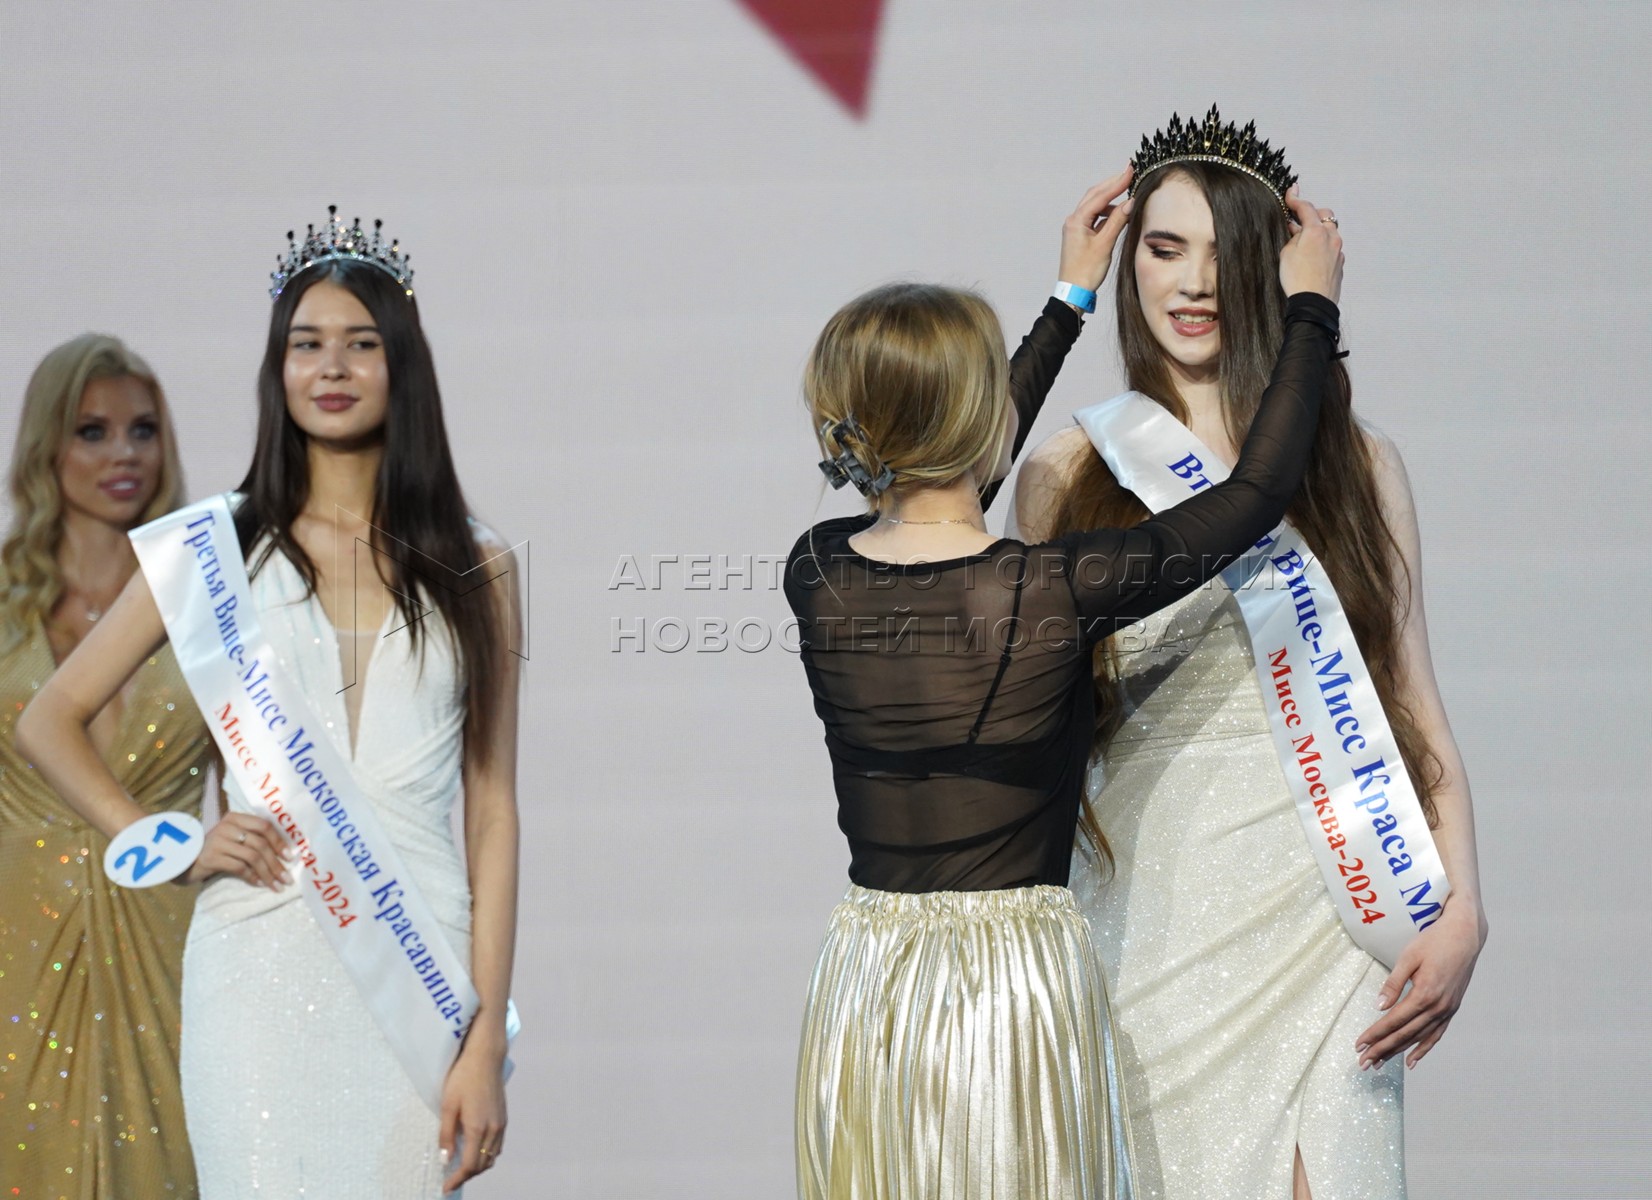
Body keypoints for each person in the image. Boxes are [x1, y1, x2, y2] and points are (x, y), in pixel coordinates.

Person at [785, 166, 1344, 1200]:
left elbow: (946, 491)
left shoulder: (817, 570)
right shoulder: (1050, 589)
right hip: (1012, 985)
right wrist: (1309, 308)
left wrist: (1067, 299)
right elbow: (1257, 493)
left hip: (869, 977)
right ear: (983, 418)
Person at [1015, 110, 1487, 1200]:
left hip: (1331, 912)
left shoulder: (1354, 464)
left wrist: (1462, 904)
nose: (1192, 284)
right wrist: (1064, 294)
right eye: (1162, 248)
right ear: (1128, 262)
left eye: (1224, 254)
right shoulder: (1065, 473)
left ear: (1275, 272)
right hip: (1143, 918)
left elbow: (1411, 701)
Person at [17, 213, 522, 1198]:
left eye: (360, 343)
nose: (330, 367)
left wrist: (486, 1042)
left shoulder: (479, 563)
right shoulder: (213, 548)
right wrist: (168, 841)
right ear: (277, 370)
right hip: (254, 968)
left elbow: (493, 809)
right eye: (306, 344)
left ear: (403, 365)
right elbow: (48, 720)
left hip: (419, 973)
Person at [0, 333, 209, 1197]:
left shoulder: (208, 602)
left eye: (142, 430)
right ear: (46, 446)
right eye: (93, 431)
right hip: (17, 947)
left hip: (176, 939)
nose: (124, 453)